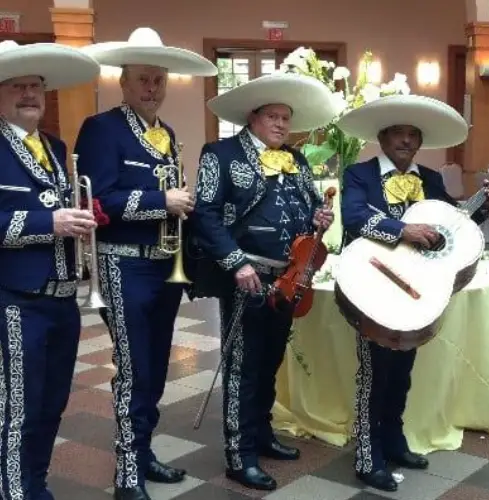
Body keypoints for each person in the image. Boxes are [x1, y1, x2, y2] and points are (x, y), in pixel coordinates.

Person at [74, 27, 218, 500]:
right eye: (143, 80)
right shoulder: (102, 128)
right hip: (123, 265)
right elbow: (100, 202)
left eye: (159, 80)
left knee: (155, 368)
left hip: (163, 266)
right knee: (134, 367)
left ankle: (143, 450)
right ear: (124, 82)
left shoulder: (167, 134)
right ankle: (127, 471)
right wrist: (162, 200)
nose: (152, 88)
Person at [336, 94, 489, 491]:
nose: (406, 141)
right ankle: (367, 455)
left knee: (402, 372)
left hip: (416, 289)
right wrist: (401, 230)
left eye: (413, 135)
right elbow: (356, 218)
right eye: (398, 133)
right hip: (372, 283)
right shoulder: (360, 175)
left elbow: (453, 223)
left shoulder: (430, 179)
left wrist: (482, 205)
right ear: (382, 137)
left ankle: (393, 441)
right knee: (373, 374)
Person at [191, 72, 336, 490]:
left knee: (271, 361)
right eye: (273, 116)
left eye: (286, 118)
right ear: (252, 117)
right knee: (242, 368)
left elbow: (307, 211)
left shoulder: (298, 159)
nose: (281, 124)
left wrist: (318, 218)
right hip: (245, 277)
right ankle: (240, 454)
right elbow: (205, 214)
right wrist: (236, 263)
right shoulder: (220, 154)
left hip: (288, 279)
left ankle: (263, 433)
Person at [0, 40, 100, 499]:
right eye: (17, 86)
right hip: (16, 298)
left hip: (64, 297)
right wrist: (51, 222)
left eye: (36, 87)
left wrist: (80, 220)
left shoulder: (58, 147)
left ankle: (35, 485)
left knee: (52, 404)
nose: (29, 94)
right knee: (17, 408)